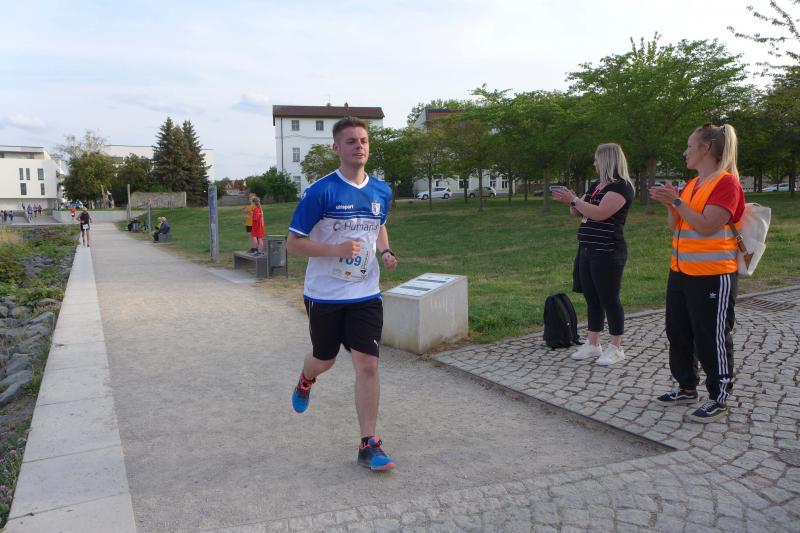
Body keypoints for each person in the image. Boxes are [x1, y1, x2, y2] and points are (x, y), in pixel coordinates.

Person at [286, 116, 398, 471]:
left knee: (368, 364)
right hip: (325, 295)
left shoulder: (381, 190)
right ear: (336, 148)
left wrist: (385, 251)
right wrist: (335, 250)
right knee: (325, 360)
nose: (358, 146)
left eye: (363, 140)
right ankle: (306, 379)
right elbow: (293, 243)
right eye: (350, 141)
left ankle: (369, 444)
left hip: (365, 293)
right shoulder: (321, 191)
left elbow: (379, 226)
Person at [649, 124, 744, 423]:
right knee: (678, 331)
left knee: (710, 335)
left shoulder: (727, 184)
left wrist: (677, 201)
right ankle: (686, 387)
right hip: (681, 271)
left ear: (705, 149)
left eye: (690, 146)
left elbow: (706, 225)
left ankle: (718, 396)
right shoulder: (693, 184)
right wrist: (671, 204)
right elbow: (675, 225)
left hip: (713, 274)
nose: (685, 151)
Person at [552, 143, 635, 366]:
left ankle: (616, 347)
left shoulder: (621, 187)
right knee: (591, 297)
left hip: (608, 251)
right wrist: (572, 201)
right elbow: (578, 211)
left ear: (607, 160)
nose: (594, 163)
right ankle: (593, 343)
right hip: (587, 248)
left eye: (597, 159)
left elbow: (600, 213)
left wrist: (575, 201)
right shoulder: (596, 185)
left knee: (610, 299)